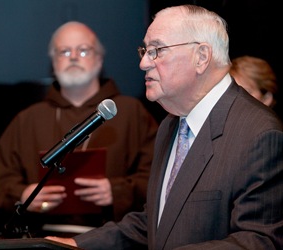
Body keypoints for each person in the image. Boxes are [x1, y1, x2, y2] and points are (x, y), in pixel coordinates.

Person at [45, 5, 283, 249]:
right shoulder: (171, 124)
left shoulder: (259, 133)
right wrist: (75, 245)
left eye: (157, 50)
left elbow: (259, 240)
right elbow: (155, 224)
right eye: (145, 51)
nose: (144, 63)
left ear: (201, 56)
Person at [0, 21, 158, 237]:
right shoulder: (28, 118)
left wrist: (118, 192)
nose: (74, 57)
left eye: (83, 50)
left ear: (99, 58)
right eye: (64, 51)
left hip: (113, 236)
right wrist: (23, 195)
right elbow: (1, 177)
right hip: (41, 235)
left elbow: (160, 176)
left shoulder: (132, 112)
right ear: (53, 62)